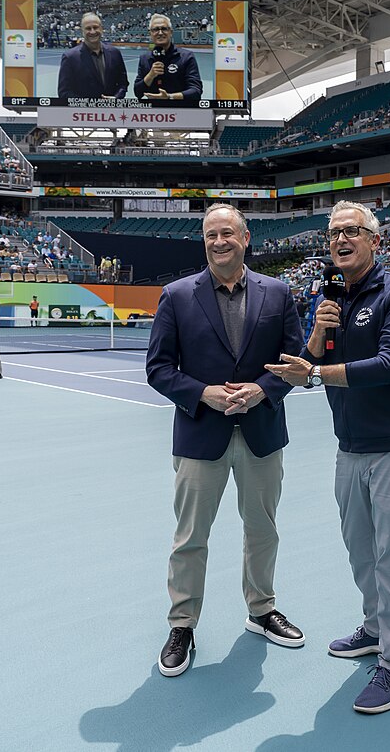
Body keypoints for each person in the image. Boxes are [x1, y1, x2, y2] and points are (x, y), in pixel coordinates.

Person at [265, 200, 390, 716]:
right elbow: (309, 362)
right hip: (351, 448)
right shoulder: (330, 298)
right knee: (361, 552)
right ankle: (374, 628)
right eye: (334, 232)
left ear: (374, 241)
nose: (340, 239)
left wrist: (318, 375)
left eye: (352, 231)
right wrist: (316, 336)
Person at [145, 204, 306, 678]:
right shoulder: (176, 296)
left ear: (246, 237)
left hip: (261, 434)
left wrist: (262, 390)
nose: (219, 242)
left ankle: (261, 609)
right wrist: (204, 394)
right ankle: (183, 625)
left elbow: (295, 361)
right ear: (204, 241)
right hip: (200, 435)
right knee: (190, 539)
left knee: (263, 530)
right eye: (211, 234)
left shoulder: (278, 293)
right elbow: (158, 369)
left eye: (228, 234)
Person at [56, 12, 129, 100]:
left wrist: (116, 97)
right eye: (88, 28)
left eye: (95, 27)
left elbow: (123, 83)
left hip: (111, 111)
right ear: (82, 32)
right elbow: (64, 92)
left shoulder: (115, 53)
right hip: (84, 113)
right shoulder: (70, 57)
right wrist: (89, 105)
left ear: (101, 29)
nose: (92, 31)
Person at [134, 13, 203, 104]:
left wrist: (170, 97)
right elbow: (138, 93)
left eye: (164, 29)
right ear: (150, 33)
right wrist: (150, 76)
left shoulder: (186, 56)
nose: (160, 33)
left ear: (171, 32)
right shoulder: (144, 58)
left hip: (181, 111)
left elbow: (196, 91)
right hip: (153, 113)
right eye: (155, 29)